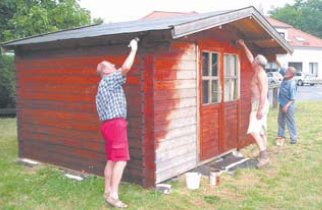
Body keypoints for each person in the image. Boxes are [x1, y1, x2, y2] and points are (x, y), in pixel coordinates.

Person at [95, 38, 139, 208]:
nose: (115, 66)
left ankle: (107, 191)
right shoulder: (108, 80)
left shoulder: (102, 86)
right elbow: (126, 68)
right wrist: (134, 49)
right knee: (121, 159)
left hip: (107, 126)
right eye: (112, 65)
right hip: (115, 124)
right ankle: (113, 195)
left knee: (112, 159)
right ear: (106, 71)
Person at [237, 39, 270, 168]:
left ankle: (264, 156)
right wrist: (244, 45)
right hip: (259, 104)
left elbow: (264, 92)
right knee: (261, 131)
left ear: (258, 63)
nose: (253, 60)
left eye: (255, 59)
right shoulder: (257, 69)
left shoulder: (261, 74)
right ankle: (263, 153)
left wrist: (260, 109)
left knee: (253, 131)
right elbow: (250, 57)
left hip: (259, 105)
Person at [276, 67, 298, 146]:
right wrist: (274, 58)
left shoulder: (292, 83)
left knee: (290, 121)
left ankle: (293, 138)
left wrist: (286, 106)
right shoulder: (285, 77)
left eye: (288, 71)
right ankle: (281, 136)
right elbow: (281, 67)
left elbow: (293, 98)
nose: (285, 72)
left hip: (289, 105)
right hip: (282, 103)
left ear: (291, 74)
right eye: (286, 70)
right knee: (280, 120)